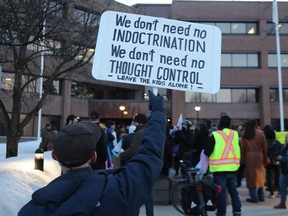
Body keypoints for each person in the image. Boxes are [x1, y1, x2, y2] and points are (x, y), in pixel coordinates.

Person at [18, 90, 166, 216]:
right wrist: (157, 113)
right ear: (93, 157)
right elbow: (150, 154)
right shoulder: (119, 191)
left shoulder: (31, 210)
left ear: (54, 156)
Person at [204, 115, 241, 216]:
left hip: (219, 170)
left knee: (220, 194)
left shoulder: (215, 135)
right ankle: (237, 211)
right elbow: (239, 148)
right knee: (234, 192)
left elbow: (207, 151)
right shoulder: (235, 134)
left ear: (220, 123)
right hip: (233, 168)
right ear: (229, 124)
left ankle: (221, 212)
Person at [241, 119, 268, 203]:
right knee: (260, 176)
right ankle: (261, 195)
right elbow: (265, 147)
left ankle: (253, 196)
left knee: (251, 177)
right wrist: (265, 157)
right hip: (259, 156)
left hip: (249, 157)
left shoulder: (244, 134)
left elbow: (242, 148)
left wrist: (242, 158)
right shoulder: (260, 133)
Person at [263, 125, 282, 198]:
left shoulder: (265, 143)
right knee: (278, 177)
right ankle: (280, 192)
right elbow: (280, 151)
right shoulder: (278, 143)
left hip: (269, 162)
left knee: (269, 177)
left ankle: (271, 193)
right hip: (277, 161)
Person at [274, 133, 288, 209]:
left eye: (286, 138)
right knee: (282, 187)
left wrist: (281, 158)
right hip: (283, 170)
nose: (285, 139)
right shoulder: (284, 146)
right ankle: (282, 203)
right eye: (285, 138)